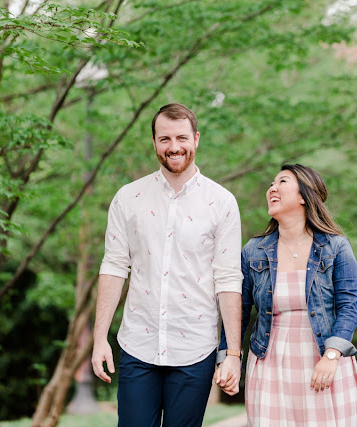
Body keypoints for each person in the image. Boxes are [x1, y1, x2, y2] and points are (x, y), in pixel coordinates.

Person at [91, 103, 243, 427]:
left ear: (197, 139)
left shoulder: (222, 202)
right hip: (138, 346)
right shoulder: (128, 198)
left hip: (195, 348)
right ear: (154, 142)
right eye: (165, 139)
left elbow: (228, 279)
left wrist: (232, 355)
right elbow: (114, 266)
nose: (174, 147)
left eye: (181, 138)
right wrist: (99, 337)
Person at [217, 164, 357, 426]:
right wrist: (229, 358)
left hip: (323, 358)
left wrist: (332, 356)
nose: (272, 188)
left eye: (282, 182)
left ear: (304, 195)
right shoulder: (254, 251)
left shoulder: (335, 247)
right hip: (270, 360)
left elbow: (349, 306)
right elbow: (238, 311)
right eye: (271, 183)